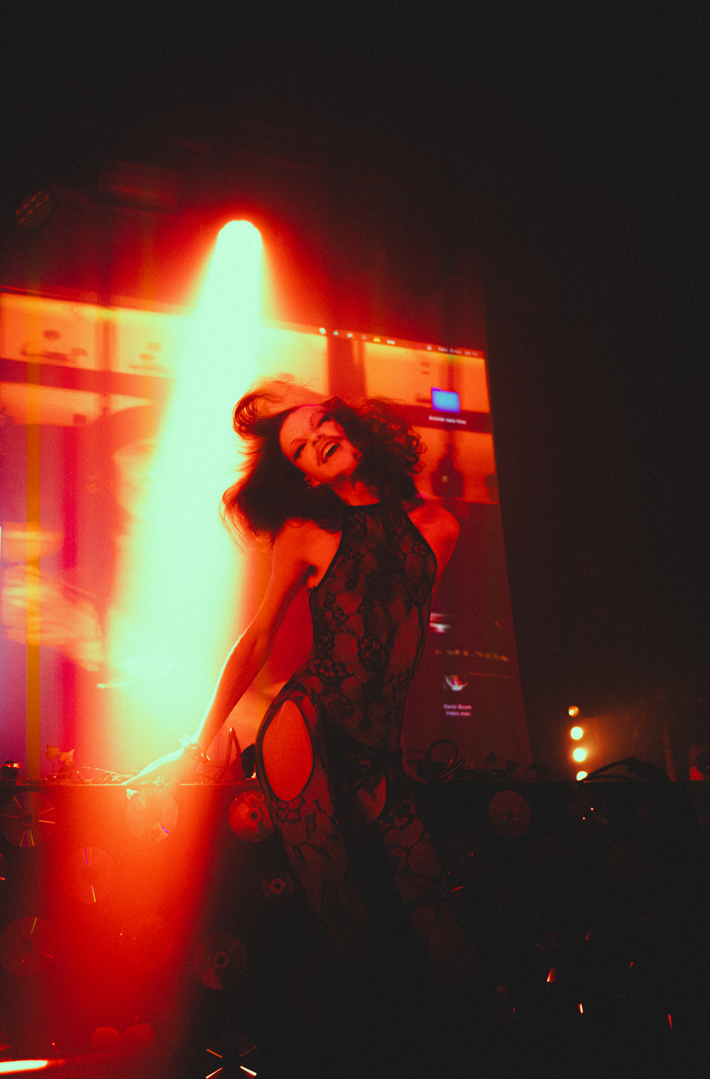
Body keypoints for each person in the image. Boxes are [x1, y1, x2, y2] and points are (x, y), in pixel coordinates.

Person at [130, 381, 475, 987]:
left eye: (319, 426)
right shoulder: (306, 534)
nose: (314, 442)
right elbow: (258, 642)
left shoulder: (438, 528)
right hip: (305, 730)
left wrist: (390, 751)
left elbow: (402, 648)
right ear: (307, 478)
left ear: (349, 427)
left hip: (377, 752)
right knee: (344, 922)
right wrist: (196, 744)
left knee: (437, 918)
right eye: (298, 450)